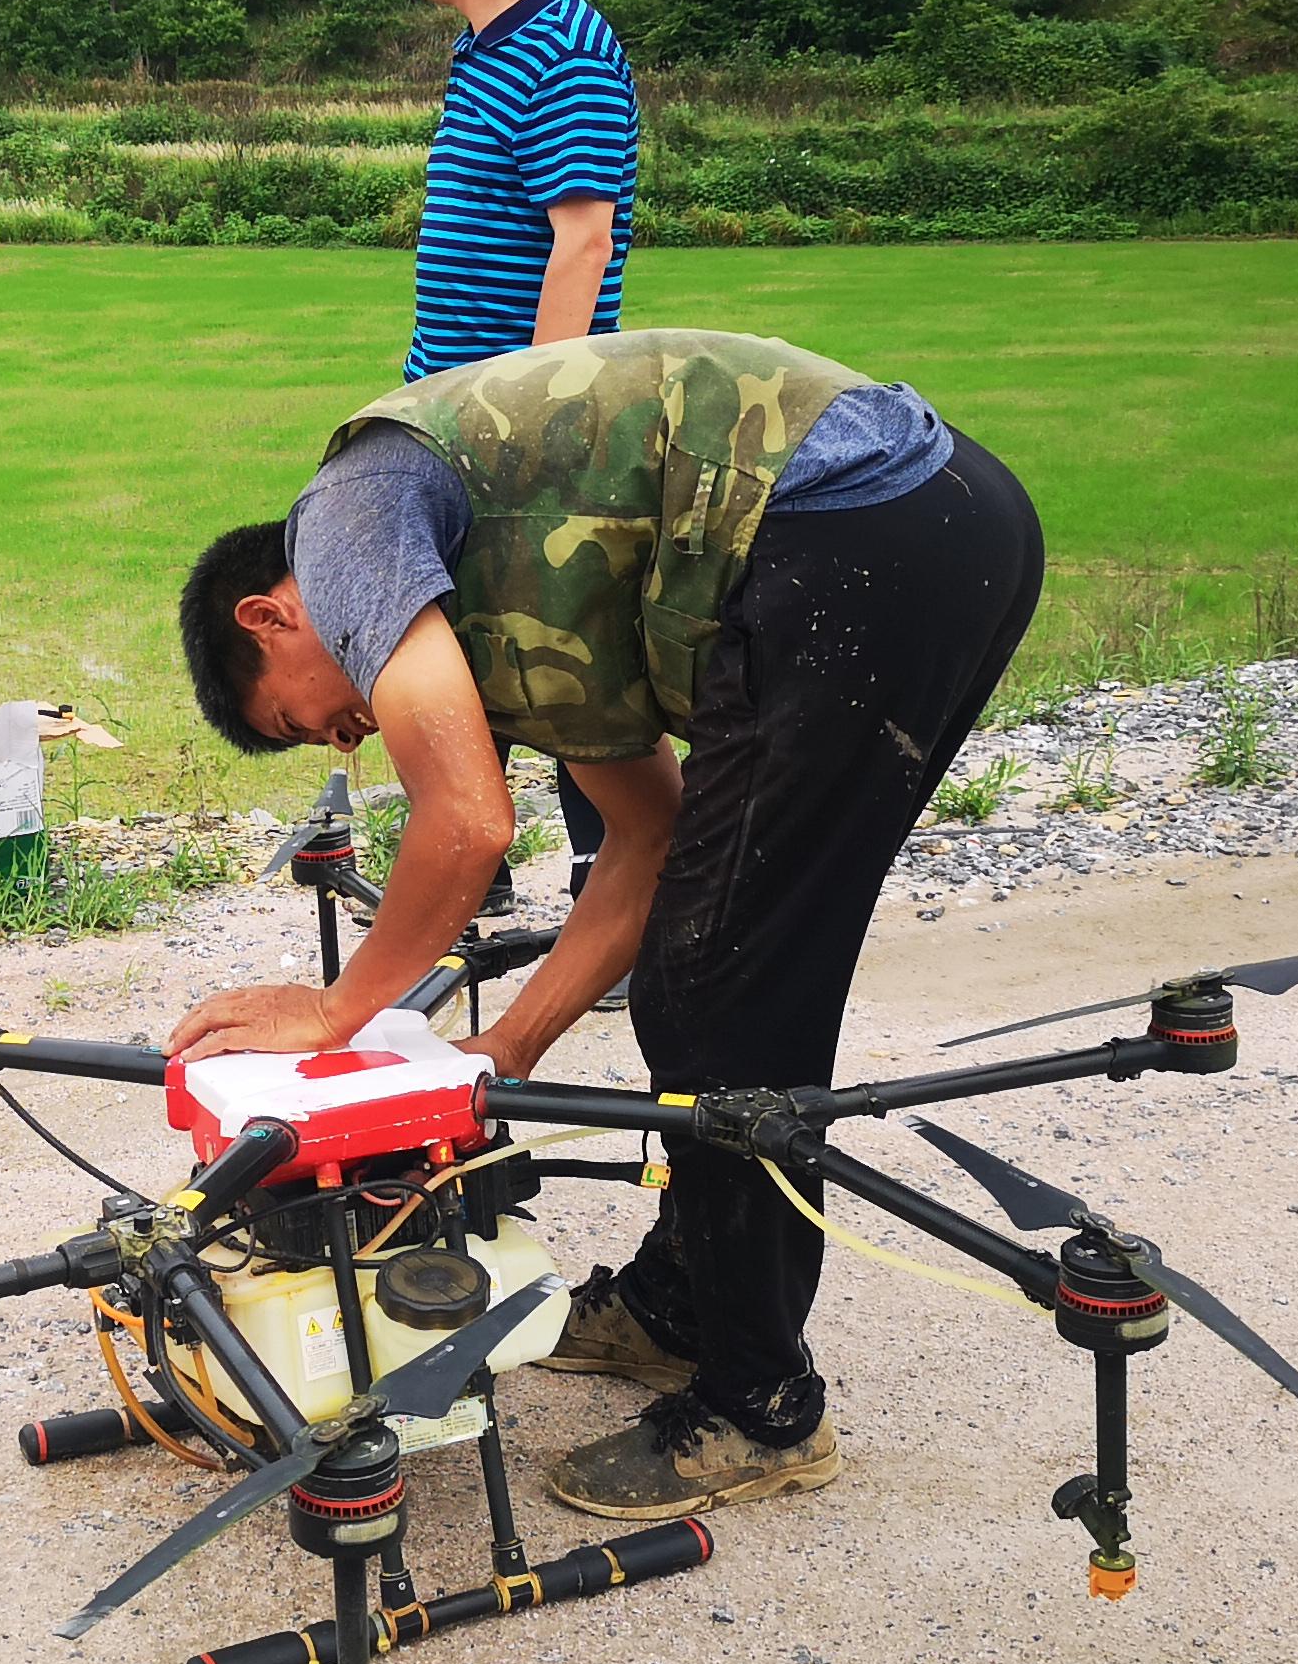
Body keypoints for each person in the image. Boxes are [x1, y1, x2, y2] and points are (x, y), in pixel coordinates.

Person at [169, 329, 1043, 1520]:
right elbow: (648, 843)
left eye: (306, 720)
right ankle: (684, 1308)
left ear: (271, 616)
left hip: (853, 530)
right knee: (711, 953)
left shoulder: (347, 511)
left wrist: (337, 1008)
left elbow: (466, 825)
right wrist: (513, 1044)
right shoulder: (510, 612)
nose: (345, 739)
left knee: (729, 990)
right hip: (913, 534)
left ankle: (760, 1410)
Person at [390, 0, 639, 908]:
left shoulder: (567, 46)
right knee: (464, 636)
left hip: (515, 424)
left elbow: (582, 239)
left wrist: (532, 422)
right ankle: (474, 878)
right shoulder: (488, 48)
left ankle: (616, 885)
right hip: (451, 411)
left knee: (568, 648)